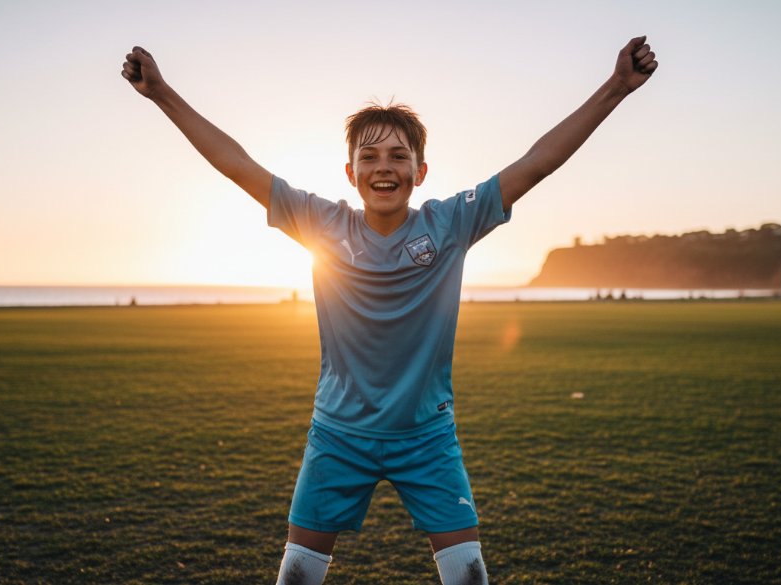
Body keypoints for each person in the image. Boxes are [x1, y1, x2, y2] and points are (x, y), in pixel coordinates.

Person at [121, 37, 657, 585]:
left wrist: (616, 87)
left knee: (469, 575)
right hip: (338, 435)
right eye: (369, 157)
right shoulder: (320, 222)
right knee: (297, 575)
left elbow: (537, 163)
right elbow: (237, 164)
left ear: (420, 171)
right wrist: (161, 92)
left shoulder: (450, 224)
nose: (384, 167)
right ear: (350, 174)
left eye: (399, 155)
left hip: (427, 437)